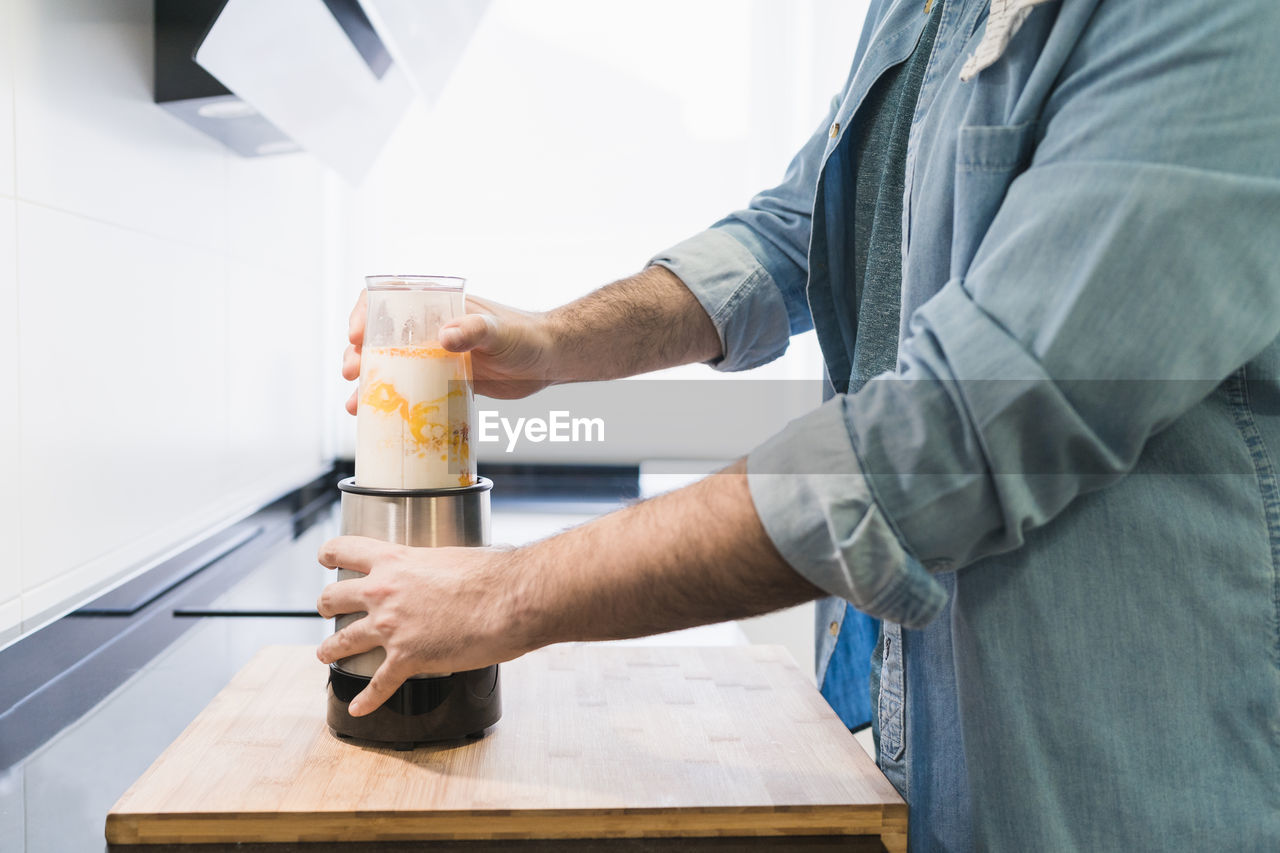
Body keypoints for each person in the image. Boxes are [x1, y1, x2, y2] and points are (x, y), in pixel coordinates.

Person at [316, 0, 1280, 849]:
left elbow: (944, 443)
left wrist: (502, 598)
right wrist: (554, 340)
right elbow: (793, 227)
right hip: (945, 761)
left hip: (1141, 785)